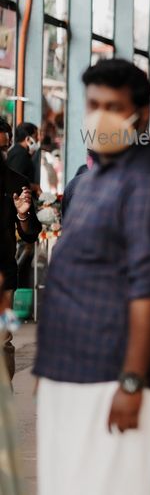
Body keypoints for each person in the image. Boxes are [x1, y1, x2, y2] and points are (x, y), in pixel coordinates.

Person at [34, 59, 150, 495]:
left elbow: (149, 292)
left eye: (112, 105)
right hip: (70, 367)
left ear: (139, 114)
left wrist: (133, 382)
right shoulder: (96, 174)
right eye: (93, 103)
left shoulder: (147, 185)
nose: (100, 114)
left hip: (113, 374)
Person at [0, 120, 40, 380]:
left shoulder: (16, 182)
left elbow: (31, 232)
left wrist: (23, 215)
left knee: (2, 341)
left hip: (3, 275)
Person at [6, 122, 39, 191]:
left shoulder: (20, 153)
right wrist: (35, 187)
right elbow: (15, 181)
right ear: (28, 140)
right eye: (35, 137)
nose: (38, 140)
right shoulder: (20, 155)